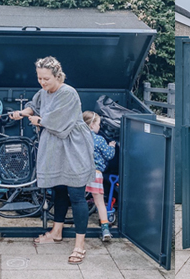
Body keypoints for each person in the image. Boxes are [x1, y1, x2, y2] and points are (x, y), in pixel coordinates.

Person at [9, 56, 95, 265]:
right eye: (39, 78)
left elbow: (55, 121)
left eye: (46, 78)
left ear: (57, 76)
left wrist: (39, 120)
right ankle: (57, 232)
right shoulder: (44, 92)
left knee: (76, 194)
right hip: (56, 147)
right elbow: (33, 104)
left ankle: (80, 244)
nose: (42, 82)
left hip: (73, 147)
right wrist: (23, 113)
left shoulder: (68, 93)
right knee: (58, 190)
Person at [82, 111, 117, 241]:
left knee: (79, 201)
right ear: (91, 125)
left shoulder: (78, 137)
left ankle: (80, 228)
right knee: (100, 202)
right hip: (95, 174)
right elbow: (109, 155)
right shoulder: (99, 139)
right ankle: (105, 229)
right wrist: (111, 146)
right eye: (98, 124)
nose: (99, 127)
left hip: (80, 173)